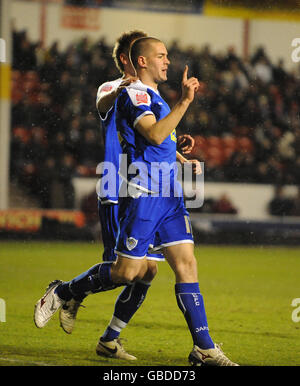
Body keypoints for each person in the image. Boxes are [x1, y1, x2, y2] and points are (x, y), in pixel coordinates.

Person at [34, 31, 199, 361]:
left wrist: (178, 155)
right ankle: (66, 291)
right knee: (123, 270)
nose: (162, 60)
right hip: (117, 185)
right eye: (154, 55)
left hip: (146, 186)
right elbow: (106, 103)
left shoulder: (148, 95)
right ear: (129, 59)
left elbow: (152, 139)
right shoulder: (114, 90)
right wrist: (132, 89)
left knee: (148, 271)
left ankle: (109, 338)